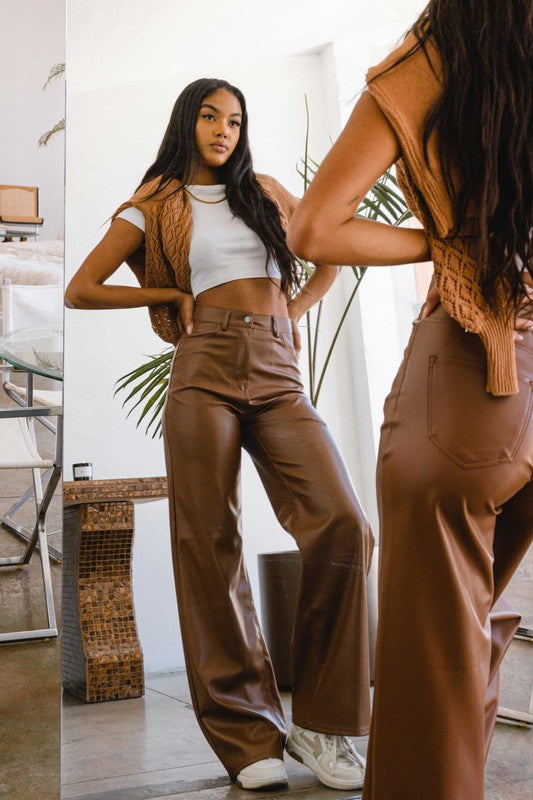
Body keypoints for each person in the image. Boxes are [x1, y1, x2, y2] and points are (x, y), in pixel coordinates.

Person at [65, 77, 373, 791]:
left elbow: (327, 248)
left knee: (344, 523)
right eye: (209, 116)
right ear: (187, 121)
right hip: (202, 368)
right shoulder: (155, 202)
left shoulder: (262, 189)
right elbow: (82, 287)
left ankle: (322, 725)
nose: (223, 129)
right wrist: (171, 295)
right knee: (208, 542)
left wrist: (288, 313)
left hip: (275, 365)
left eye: (234, 119)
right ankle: (245, 739)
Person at [287, 2, 533, 799]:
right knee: (480, 629)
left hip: (472, 373)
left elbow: (317, 229)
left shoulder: (437, 57)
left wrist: (445, 240)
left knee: (434, 655)